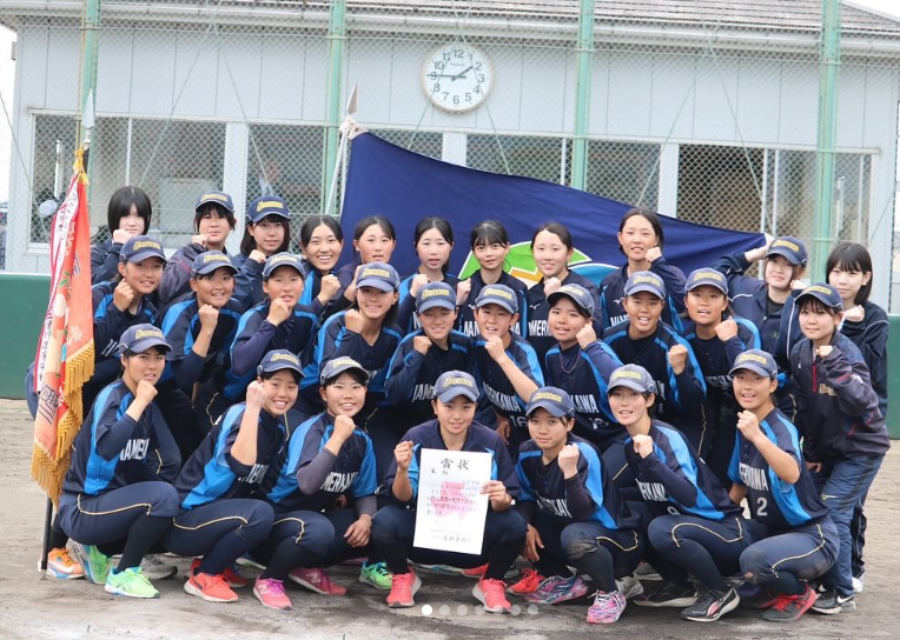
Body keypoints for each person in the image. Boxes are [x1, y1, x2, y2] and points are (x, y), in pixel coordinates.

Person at [607, 364, 759, 622]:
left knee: (661, 528)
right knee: (628, 510)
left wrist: (651, 459)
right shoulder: (629, 445)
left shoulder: (667, 438)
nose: (624, 402)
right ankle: (678, 584)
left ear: (649, 399)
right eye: (617, 394)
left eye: (633, 395)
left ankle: (719, 591)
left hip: (726, 535)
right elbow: (651, 492)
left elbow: (687, 495)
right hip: (690, 531)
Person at [371, 371, 527, 614]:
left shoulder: (490, 441)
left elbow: (507, 500)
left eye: (466, 407)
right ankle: (402, 575)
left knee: (515, 525)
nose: (457, 415)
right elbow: (402, 499)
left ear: (475, 408)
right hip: (425, 538)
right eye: (449, 406)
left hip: (472, 544)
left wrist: (501, 497)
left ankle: (491, 580)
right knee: (384, 520)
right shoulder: (416, 437)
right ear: (435, 406)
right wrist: (402, 470)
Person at [164, 351, 305, 604]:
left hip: (215, 518)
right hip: (185, 520)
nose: (283, 393)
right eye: (275, 384)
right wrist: (253, 407)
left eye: (291, 387)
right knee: (260, 514)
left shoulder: (276, 426)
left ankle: (219, 562)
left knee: (272, 512)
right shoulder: (242, 414)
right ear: (258, 383)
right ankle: (204, 574)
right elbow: (242, 465)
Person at [58, 324, 180, 599]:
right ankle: (123, 575)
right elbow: (108, 448)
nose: (152, 365)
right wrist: (140, 403)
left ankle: (98, 551)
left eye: (159, 357)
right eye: (143, 356)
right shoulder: (113, 396)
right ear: (124, 360)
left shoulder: (143, 401)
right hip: (83, 507)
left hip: (109, 505)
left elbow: (136, 462)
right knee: (163, 498)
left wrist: (173, 500)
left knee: (171, 510)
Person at [789, 283, 890, 614]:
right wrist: (811, 453)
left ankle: (842, 590)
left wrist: (834, 364)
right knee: (810, 508)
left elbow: (864, 402)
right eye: (805, 312)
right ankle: (820, 578)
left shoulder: (846, 353)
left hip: (862, 449)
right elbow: (805, 408)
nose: (811, 319)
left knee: (835, 512)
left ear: (837, 317)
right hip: (827, 450)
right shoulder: (800, 351)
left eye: (820, 313)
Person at [512, 387, 643, 625]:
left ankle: (610, 591)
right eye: (535, 421)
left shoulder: (583, 452)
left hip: (619, 544)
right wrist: (525, 525)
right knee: (515, 524)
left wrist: (570, 473)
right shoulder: (527, 452)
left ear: (569, 424)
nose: (542, 429)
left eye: (552, 421)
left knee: (574, 535)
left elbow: (583, 512)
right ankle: (564, 580)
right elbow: (525, 497)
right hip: (576, 537)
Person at [260, 357, 383, 607]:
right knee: (318, 530)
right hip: (273, 523)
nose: (348, 394)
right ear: (324, 393)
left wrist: (365, 520)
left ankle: (304, 566)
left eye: (356, 387)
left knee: (379, 525)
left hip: (308, 523)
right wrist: (337, 438)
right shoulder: (311, 430)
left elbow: (366, 493)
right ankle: (270, 579)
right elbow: (308, 484)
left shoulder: (362, 440)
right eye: (339, 386)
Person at [727, 350, 838, 622]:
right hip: (771, 533)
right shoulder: (745, 426)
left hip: (812, 536)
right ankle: (769, 587)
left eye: (757, 379)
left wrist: (757, 436)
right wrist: (720, 525)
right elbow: (739, 482)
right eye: (741, 378)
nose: (747, 386)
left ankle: (798, 592)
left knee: (754, 561)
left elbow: (791, 472)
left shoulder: (780, 427)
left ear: (773, 384)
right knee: (723, 540)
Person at [826, 242, 889, 593]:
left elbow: (867, 371)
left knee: (850, 502)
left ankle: (853, 568)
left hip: (862, 427)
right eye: (836, 271)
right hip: (825, 425)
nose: (842, 280)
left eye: (851, 273)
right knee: (827, 499)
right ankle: (827, 568)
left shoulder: (874, 318)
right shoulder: (819, 309)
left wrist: (852, 326)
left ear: (865, 277)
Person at [299, 262, 403, 469]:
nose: (373, 298)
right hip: (310, 403)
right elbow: (328, 378)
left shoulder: (394, 334)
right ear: (356, 293)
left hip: (355, 409)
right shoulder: (337, 324)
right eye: (366, 291)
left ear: (395, 297)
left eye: (382, 292)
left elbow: (379, 388)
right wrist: (352, 335)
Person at [602, 271, 707, 451]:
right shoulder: (610, 339)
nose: (644, 309)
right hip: (631, 424)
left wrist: (680, 372)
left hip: (679, 422)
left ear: (662, 306)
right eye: (637, 302)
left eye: (652, 303)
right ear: (625, 304)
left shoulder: (675, 344)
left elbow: (692, 404)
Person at [159, 251, 244, 452]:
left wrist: (201, 390)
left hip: (191, 387)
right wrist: (207, 329)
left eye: (226, 278)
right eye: (210, 278)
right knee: (177, 453)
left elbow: (221, 361)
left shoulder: (235, 311)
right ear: (194, 284)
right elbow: (183, 378)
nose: (219, 286)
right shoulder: (180, 312)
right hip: (158, 387)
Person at [680, 268, 761, 478]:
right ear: (686, 301)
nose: (704, 303)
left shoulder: (744, 330)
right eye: (697, 295)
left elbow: (752, 380)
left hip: (753, 410)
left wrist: (731, 341)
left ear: (725, 303)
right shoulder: (684, 339)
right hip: (713, 413)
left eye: (713, 296)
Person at [541, 284, 624, 475]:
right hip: (581, 441)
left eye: (573, 314)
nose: (562, 320)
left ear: (588, 322)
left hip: (617, 436)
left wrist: (592, 347)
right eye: (556, 312)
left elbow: (623, 384)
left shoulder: (596, 351)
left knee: (600, 481)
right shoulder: (551, 355)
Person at [384, 282, 475, 441]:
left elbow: (473, 393)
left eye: (444, 313)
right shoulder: (409, 345)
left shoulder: (464, 344)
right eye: (429, 314)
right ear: (419, 316)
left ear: (455, 313)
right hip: (406, 427)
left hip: (451, 427)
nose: (437, 321)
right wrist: (417, 356)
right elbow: (394, 397)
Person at [229, 253, 317, 412]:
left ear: (303, 285)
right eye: (278, 280)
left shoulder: (308, 317)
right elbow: (240, 366)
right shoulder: (254, 317)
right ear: (265, 286)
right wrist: (271, 322)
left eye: (293, 280)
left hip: (277, 399)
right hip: (231, 397)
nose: (287, 288)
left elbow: (304, 360)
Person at [712, 235, 807, 367]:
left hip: (775, 379)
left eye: (788, 264)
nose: (778, 270)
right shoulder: (744, 289)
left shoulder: (803, 311)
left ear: (800, 272)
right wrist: (755, 255)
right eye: (774, 261)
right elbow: (711, 277)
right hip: (730, 375)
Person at [472, 284, 544, 453]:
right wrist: (501, 418)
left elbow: (536, 397)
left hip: (535, 434)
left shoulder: (523, 351)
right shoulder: (476, 345)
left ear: (513, 319)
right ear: (476, 314)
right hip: (506, 429)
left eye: (501, 314)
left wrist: (502, 358)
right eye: (486, 312)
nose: (492, 320)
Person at [525, 222, 603, 366]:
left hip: (573, 373)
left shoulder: (585, 288)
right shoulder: (530, 294)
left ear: (569, 253)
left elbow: (596, 331)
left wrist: (559, 296)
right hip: (538, 376)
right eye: (541, 249)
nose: (547, 256)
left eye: (555, 249)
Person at [599, 208, 686, 331]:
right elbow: (603, 331)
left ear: (656, 239)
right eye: (630, 233)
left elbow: (686, 306)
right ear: (620, 238)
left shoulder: (671, 275)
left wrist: (660, 266)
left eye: (645, 234)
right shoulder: (608, 283)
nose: (637, 240)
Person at [159, 191, 237, 307]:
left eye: (221, 217)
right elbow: (165, 292)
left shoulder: (234, 263)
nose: (214, 224)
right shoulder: (184, 255)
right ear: (197, 222)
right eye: (207, 217)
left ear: (232, 223)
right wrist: (194, 252)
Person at [455, 220, 528, 338]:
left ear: (507, 248)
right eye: (481, 248)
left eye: (495, 246)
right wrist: (458, 303)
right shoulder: (463, 289)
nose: (488, 253)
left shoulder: (519, 289)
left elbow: (523, 336)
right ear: (473, 252)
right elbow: (452, 337)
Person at [396, 217, 459, 334]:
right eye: (426, 244)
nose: (433, 251)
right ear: (416, 246)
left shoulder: (459, 286)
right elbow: (393, 327)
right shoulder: (404, 285)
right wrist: (412, 295)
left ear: (451, 246)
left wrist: (459, 302)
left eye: (440, 243)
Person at [330, 215, 398, 319]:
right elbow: (331, 317)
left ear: (393, 245)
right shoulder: (347, 274)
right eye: (371, 240)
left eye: (384, 240)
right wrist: (353, 286)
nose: (378, 248)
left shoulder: (393, 276)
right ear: (356, 245)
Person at [232, 195, 291, 308]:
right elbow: (232, 306)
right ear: (251, 229)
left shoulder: (292, 265)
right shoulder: (235, 266)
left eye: (278, 225)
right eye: (264, 225)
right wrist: (249, 268)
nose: (272, 233)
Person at [91, 186, 153, 285]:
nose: (132, 223)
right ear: (114, 217)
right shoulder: (97, 253)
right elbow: (96, 284)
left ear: (147, 219)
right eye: (125, 215)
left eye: (138, 216)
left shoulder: (153, 253)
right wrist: (117, 249)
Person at [296, 215, 344, 317]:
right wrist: (322, 297)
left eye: (331, 240)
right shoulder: (300, 279)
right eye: (315, 242)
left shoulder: (335, 276)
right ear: (303, 248)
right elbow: (297, 323)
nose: (324, 249)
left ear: (341, 244)